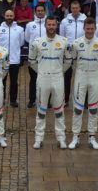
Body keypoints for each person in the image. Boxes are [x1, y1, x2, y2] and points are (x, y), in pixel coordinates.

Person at [29, 16, 71, 149]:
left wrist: (59, 71)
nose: (51, 27)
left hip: (58, 79)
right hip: (43, 79)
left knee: (59, 109)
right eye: (49, 24)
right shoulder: (37, 42)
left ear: (56, 25)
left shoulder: (64, 41)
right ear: (45, 26)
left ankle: (61, 138)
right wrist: (41, 71)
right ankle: (38, 138)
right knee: (41, 109)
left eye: (53, 24)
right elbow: (31, 61)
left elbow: (68, 61)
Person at [69, 18, 98, 150]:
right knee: (78, 109)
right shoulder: (76, 43)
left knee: (94, 108)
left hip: (95, 76)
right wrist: (79, 72)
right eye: (87, 28)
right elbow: (72, 61)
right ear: (83, 28)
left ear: (95, 28)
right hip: (81, 76)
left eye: (92, 29)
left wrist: (97, 74)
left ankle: (92, 136)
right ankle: (76, 136)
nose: (89, 31)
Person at [60, 0, 86, 105]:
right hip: (68, 53)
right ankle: (65, 99)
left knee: (81, 77)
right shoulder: (65, 21)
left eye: (77, 8)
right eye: (73, 8)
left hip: (81, 52)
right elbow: (62, 37)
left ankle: (80, 98)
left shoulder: (85, 20)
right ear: (71, 9)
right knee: (67, 77)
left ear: (80, 8)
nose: (75, 10)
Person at [0, 10, 25, 107]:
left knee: (14, 81)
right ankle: (2, 99)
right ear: (4, 16)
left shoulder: (20, 29)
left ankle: (13, 100)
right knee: (2, 81)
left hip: (14, 59)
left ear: (14, 16)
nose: (9, 17)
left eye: (11, 15)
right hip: (2, 60)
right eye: (7, 15)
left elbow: (21, 43)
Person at [24, 3, 48, 107]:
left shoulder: (48, 24)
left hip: (46, 56)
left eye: (42, 10)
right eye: (38, 11)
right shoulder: (30, 25)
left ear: (45, 11)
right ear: (35, 12)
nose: (40, 12)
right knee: (33, 79)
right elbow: (27, 38)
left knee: (47, 80)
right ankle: (32, 100)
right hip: (33, 57)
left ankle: (46, 101)